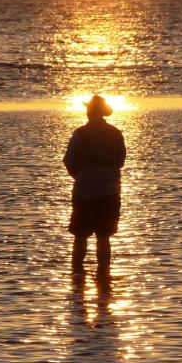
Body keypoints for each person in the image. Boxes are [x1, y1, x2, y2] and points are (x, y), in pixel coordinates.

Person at [63, 95, 126, 276]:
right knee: (104, 237)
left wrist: (81, 176)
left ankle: (76, 276)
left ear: (89, 112)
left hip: (84, 189)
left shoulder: (80, 133)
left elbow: (68, 161)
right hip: (110, 190)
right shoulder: (115, 132)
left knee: (80, 235)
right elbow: (121, 161)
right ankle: (103, 276)